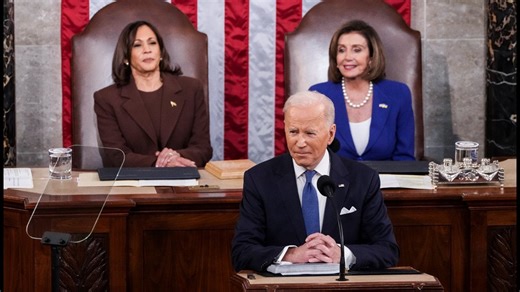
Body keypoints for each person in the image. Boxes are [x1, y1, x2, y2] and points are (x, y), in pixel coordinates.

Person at [231, 91, 399, 272]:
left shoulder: (363, 179)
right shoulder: (260, 179)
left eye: (310, 133)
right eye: (293, 132)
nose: (300, 142)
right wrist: (291, 255)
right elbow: (242, 252)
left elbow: (387, 250)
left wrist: (342, 255)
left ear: (330, 134)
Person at [94, 20, 212, 167]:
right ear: (125, 58)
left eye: (152, 43)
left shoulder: (191, 89)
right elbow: (116, 156)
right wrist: (159, 163)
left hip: (184, 178)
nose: (147, 50)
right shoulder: (106, 99)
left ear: (161, 52)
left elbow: (203, 148)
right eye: (137, 45)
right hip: (133, 184)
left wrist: (176, 157)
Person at [309, 20, 415, 161]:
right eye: (341, 50)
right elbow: (311, 153)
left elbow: (405, 158)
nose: (347, 57)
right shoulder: (318, 95)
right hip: (334, 180)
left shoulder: (398, 94)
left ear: (371, 57)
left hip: (386, 180)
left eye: (357, 50)